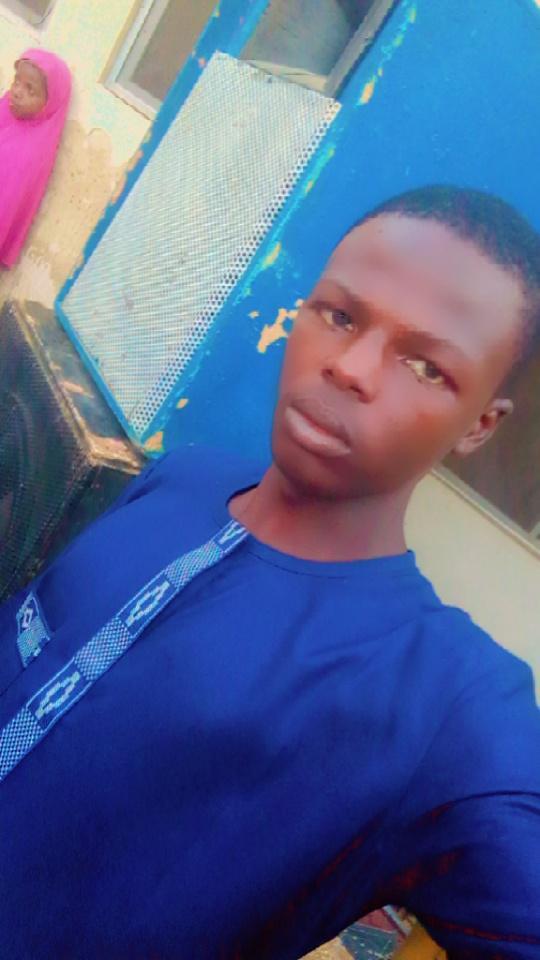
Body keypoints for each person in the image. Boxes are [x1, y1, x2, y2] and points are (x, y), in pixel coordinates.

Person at [1, 185, 539, 960]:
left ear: (480, 424)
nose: (350, 368)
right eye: (340, 316)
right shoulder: (184, 479)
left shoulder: (444, 700)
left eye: (426, 366)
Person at [0, 48, 72, 269]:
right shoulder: (4, 114)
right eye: (17, 82)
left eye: (30, 90)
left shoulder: (30, 154)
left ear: (50, 103)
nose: (17, 92)